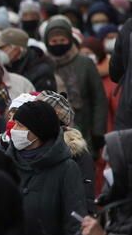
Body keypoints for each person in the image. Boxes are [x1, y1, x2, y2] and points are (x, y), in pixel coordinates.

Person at [6, 100, 86, 235]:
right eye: (15, 123)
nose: (14, 130)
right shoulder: (6, 163)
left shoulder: (66, 169)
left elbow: (75, 223)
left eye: (20, 126)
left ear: (38, 131)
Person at [43, 17, 108, 152]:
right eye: (54, 41)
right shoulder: (44, 65)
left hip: (84, 126)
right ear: (47, 42)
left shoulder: (85, 63)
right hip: (51, 131)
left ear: (70, 40)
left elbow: (99, 99)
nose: (58, 44)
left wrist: (98, 131)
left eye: (63, 40)